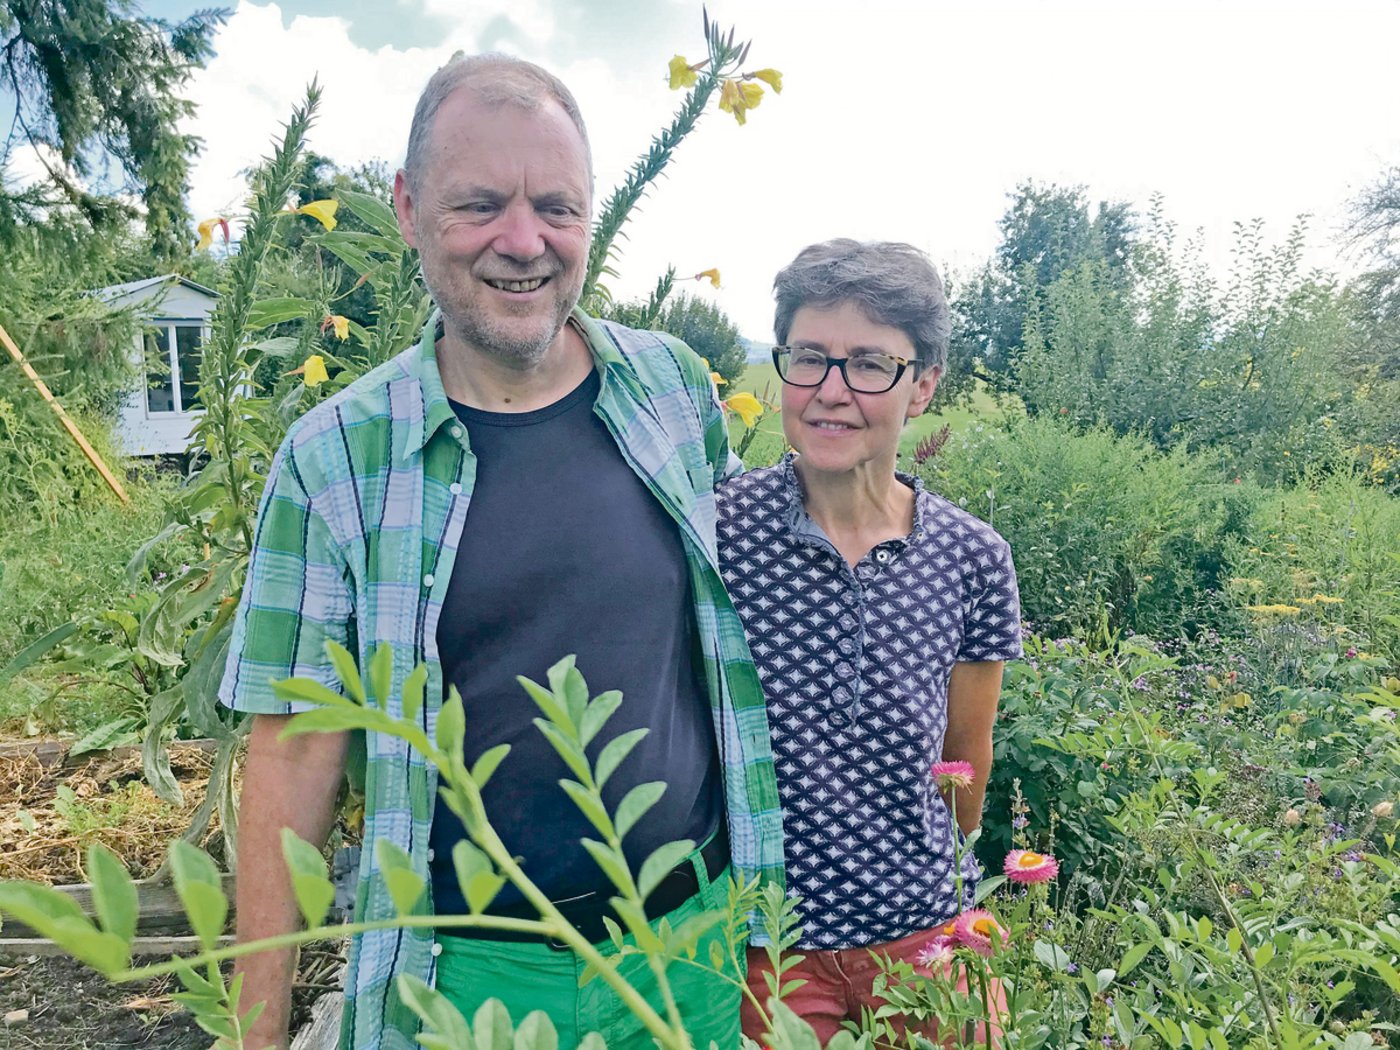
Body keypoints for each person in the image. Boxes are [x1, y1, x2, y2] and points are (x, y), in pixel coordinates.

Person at [219, 53, 783, 1050]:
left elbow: (756, 600)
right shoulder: (334, 459)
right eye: (479, 204)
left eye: (555, 207)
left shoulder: (671, 392)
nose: (522, 242)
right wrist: (256, 1034)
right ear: (405, 206)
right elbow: (292, 748)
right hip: (462, 979)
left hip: (688, 951)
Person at [717, 240, 1022, 1042]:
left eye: (870, 365)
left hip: (925, 929)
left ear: (923, 384)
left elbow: (967, 757)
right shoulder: (718, 530)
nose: (831, 391)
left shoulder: (973, 556)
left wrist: (943, 894)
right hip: (766, 947)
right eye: (810, 358)